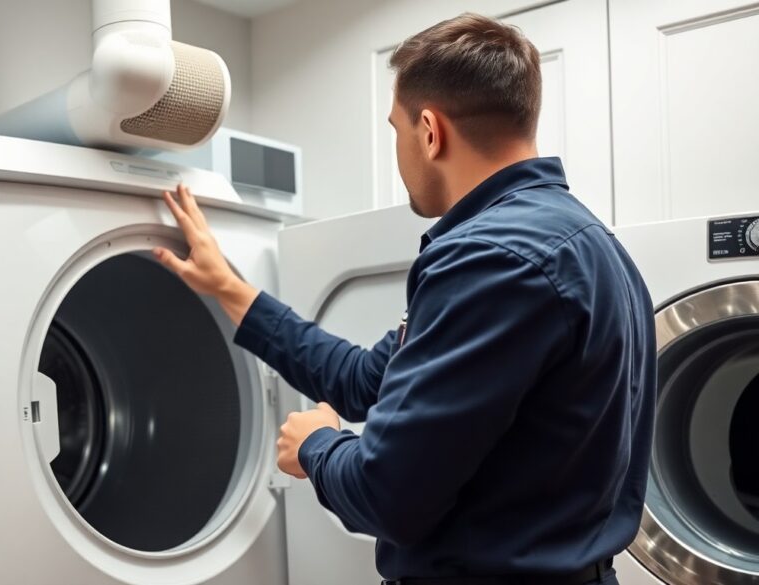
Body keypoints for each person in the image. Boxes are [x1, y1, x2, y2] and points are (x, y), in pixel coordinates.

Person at [153, 12, 655, 585]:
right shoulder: (593, 246)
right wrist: (230, 288)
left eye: (396, 129)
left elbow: (387, 495)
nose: (399, 150)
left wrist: (316, 445)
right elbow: (367, 380)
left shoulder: (490, 260)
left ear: (430, 130)